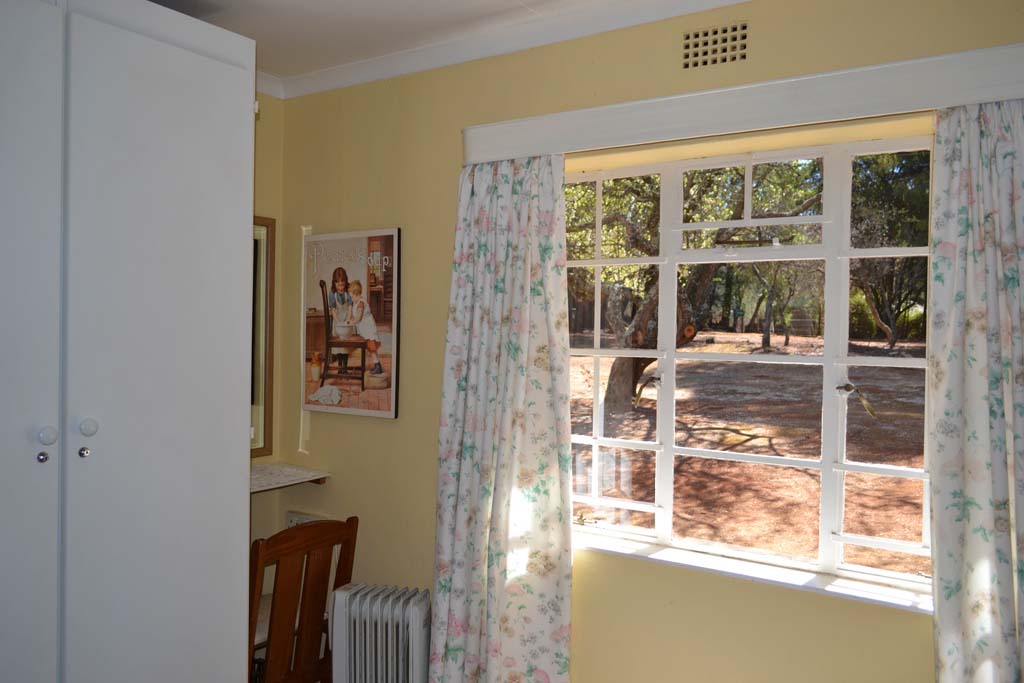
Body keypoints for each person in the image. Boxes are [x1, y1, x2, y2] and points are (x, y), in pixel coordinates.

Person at [346, 280, 383, 375]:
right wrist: (350, 319)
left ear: (356, 294)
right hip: (365, 330)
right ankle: (377, 365)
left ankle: (378, 365)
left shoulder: (361, 303)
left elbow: (358, 318)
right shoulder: (356, 303)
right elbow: (354, 316)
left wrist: (351, 323)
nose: (351, 299)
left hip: (369, 329)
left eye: (352, 296)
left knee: (372, 348)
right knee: (371, 349)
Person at [328, 267, 352, 368]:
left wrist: (348, 320)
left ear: (346, 282)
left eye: (342, 284)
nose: (341, 287)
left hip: (346, 320)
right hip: (337, 321)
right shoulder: (332, 293)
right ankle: (340, 366)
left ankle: (345, 366)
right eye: (338, 285)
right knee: (338, 346)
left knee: (345, 346)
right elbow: (333, 310)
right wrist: (338, 322)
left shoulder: (349, 291)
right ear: (334, 283)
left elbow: (350, 306)